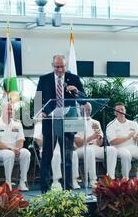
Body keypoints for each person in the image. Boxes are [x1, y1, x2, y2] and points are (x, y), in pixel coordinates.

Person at [35, 54, 85, 192]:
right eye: (57, 67)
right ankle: (45, 189)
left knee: (67, 157)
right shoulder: (44, 79)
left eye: (62, 66)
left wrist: (76, 91)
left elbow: (83, 99)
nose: (60, 69)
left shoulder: (73, 79)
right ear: (53, 66)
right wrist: (41, 111)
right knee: (47, 156)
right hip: (50, 122)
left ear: (65, 66)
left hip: (68, 121)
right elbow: (38, 99)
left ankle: (67, 189)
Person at [74, 102, 118, 186]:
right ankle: (93, 180)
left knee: (112, 150)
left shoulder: (96, 122)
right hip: (81, 149)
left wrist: (99, 137)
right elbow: (78, 143)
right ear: (80, 109)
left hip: (95, 147)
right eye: (85, 109)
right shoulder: (76, 122)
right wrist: (92, 137)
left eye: (89, 110)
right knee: (89, 150)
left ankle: (110, 178)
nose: (87, 111)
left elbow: (99, 143)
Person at [0, 101, 30, 191]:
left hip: (15, 150)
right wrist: (11, 149)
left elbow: (20, 139)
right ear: (2, 110)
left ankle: (22, 182)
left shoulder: (17, 123)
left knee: (26, 153)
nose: (10, 111)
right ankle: (8, 183)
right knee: (9, 154)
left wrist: (18, 148)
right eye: (8, 109)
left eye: (11, 109)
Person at [106, 102, 138, 181]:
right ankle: (126, 178)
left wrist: (137, 138)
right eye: (118, 110)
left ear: (125, 110)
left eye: (122, 109)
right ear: (115, 113)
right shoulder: (111, 125)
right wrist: (127, 137)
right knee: (126, 155)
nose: (120, 111)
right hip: (119, 148)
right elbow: (112, 142)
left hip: (133, 147)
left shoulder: (133, 123)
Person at [33, 119, 81, 190]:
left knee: (72, 154)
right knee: (55, 155)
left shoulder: (64, 120)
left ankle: (72, 181)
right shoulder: (39, 124)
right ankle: (55, 181)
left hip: (62, 141)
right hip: (48, 146)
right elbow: (39, 142)